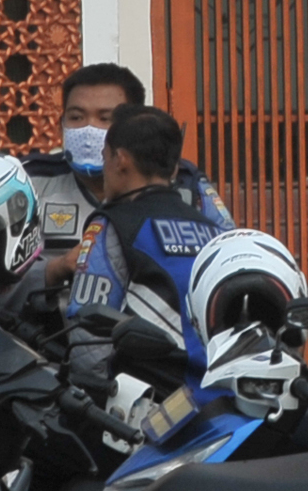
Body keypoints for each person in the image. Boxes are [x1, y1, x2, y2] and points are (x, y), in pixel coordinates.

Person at [64, 105, 228, 401]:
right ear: (175, 168)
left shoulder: (114, 224)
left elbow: (88, 330)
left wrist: (95, 402)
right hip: (219, 394)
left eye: (105, 157)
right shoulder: (212, 230)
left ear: (120, 160)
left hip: (151, 404)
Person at [26, 64, 232, 288]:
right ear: (61, 125)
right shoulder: (29, 182)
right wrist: (55, 269)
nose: (88, 130)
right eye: (76, 117)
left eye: (105, 118)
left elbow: (230, 254)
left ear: (135, 125)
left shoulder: (185, 186)